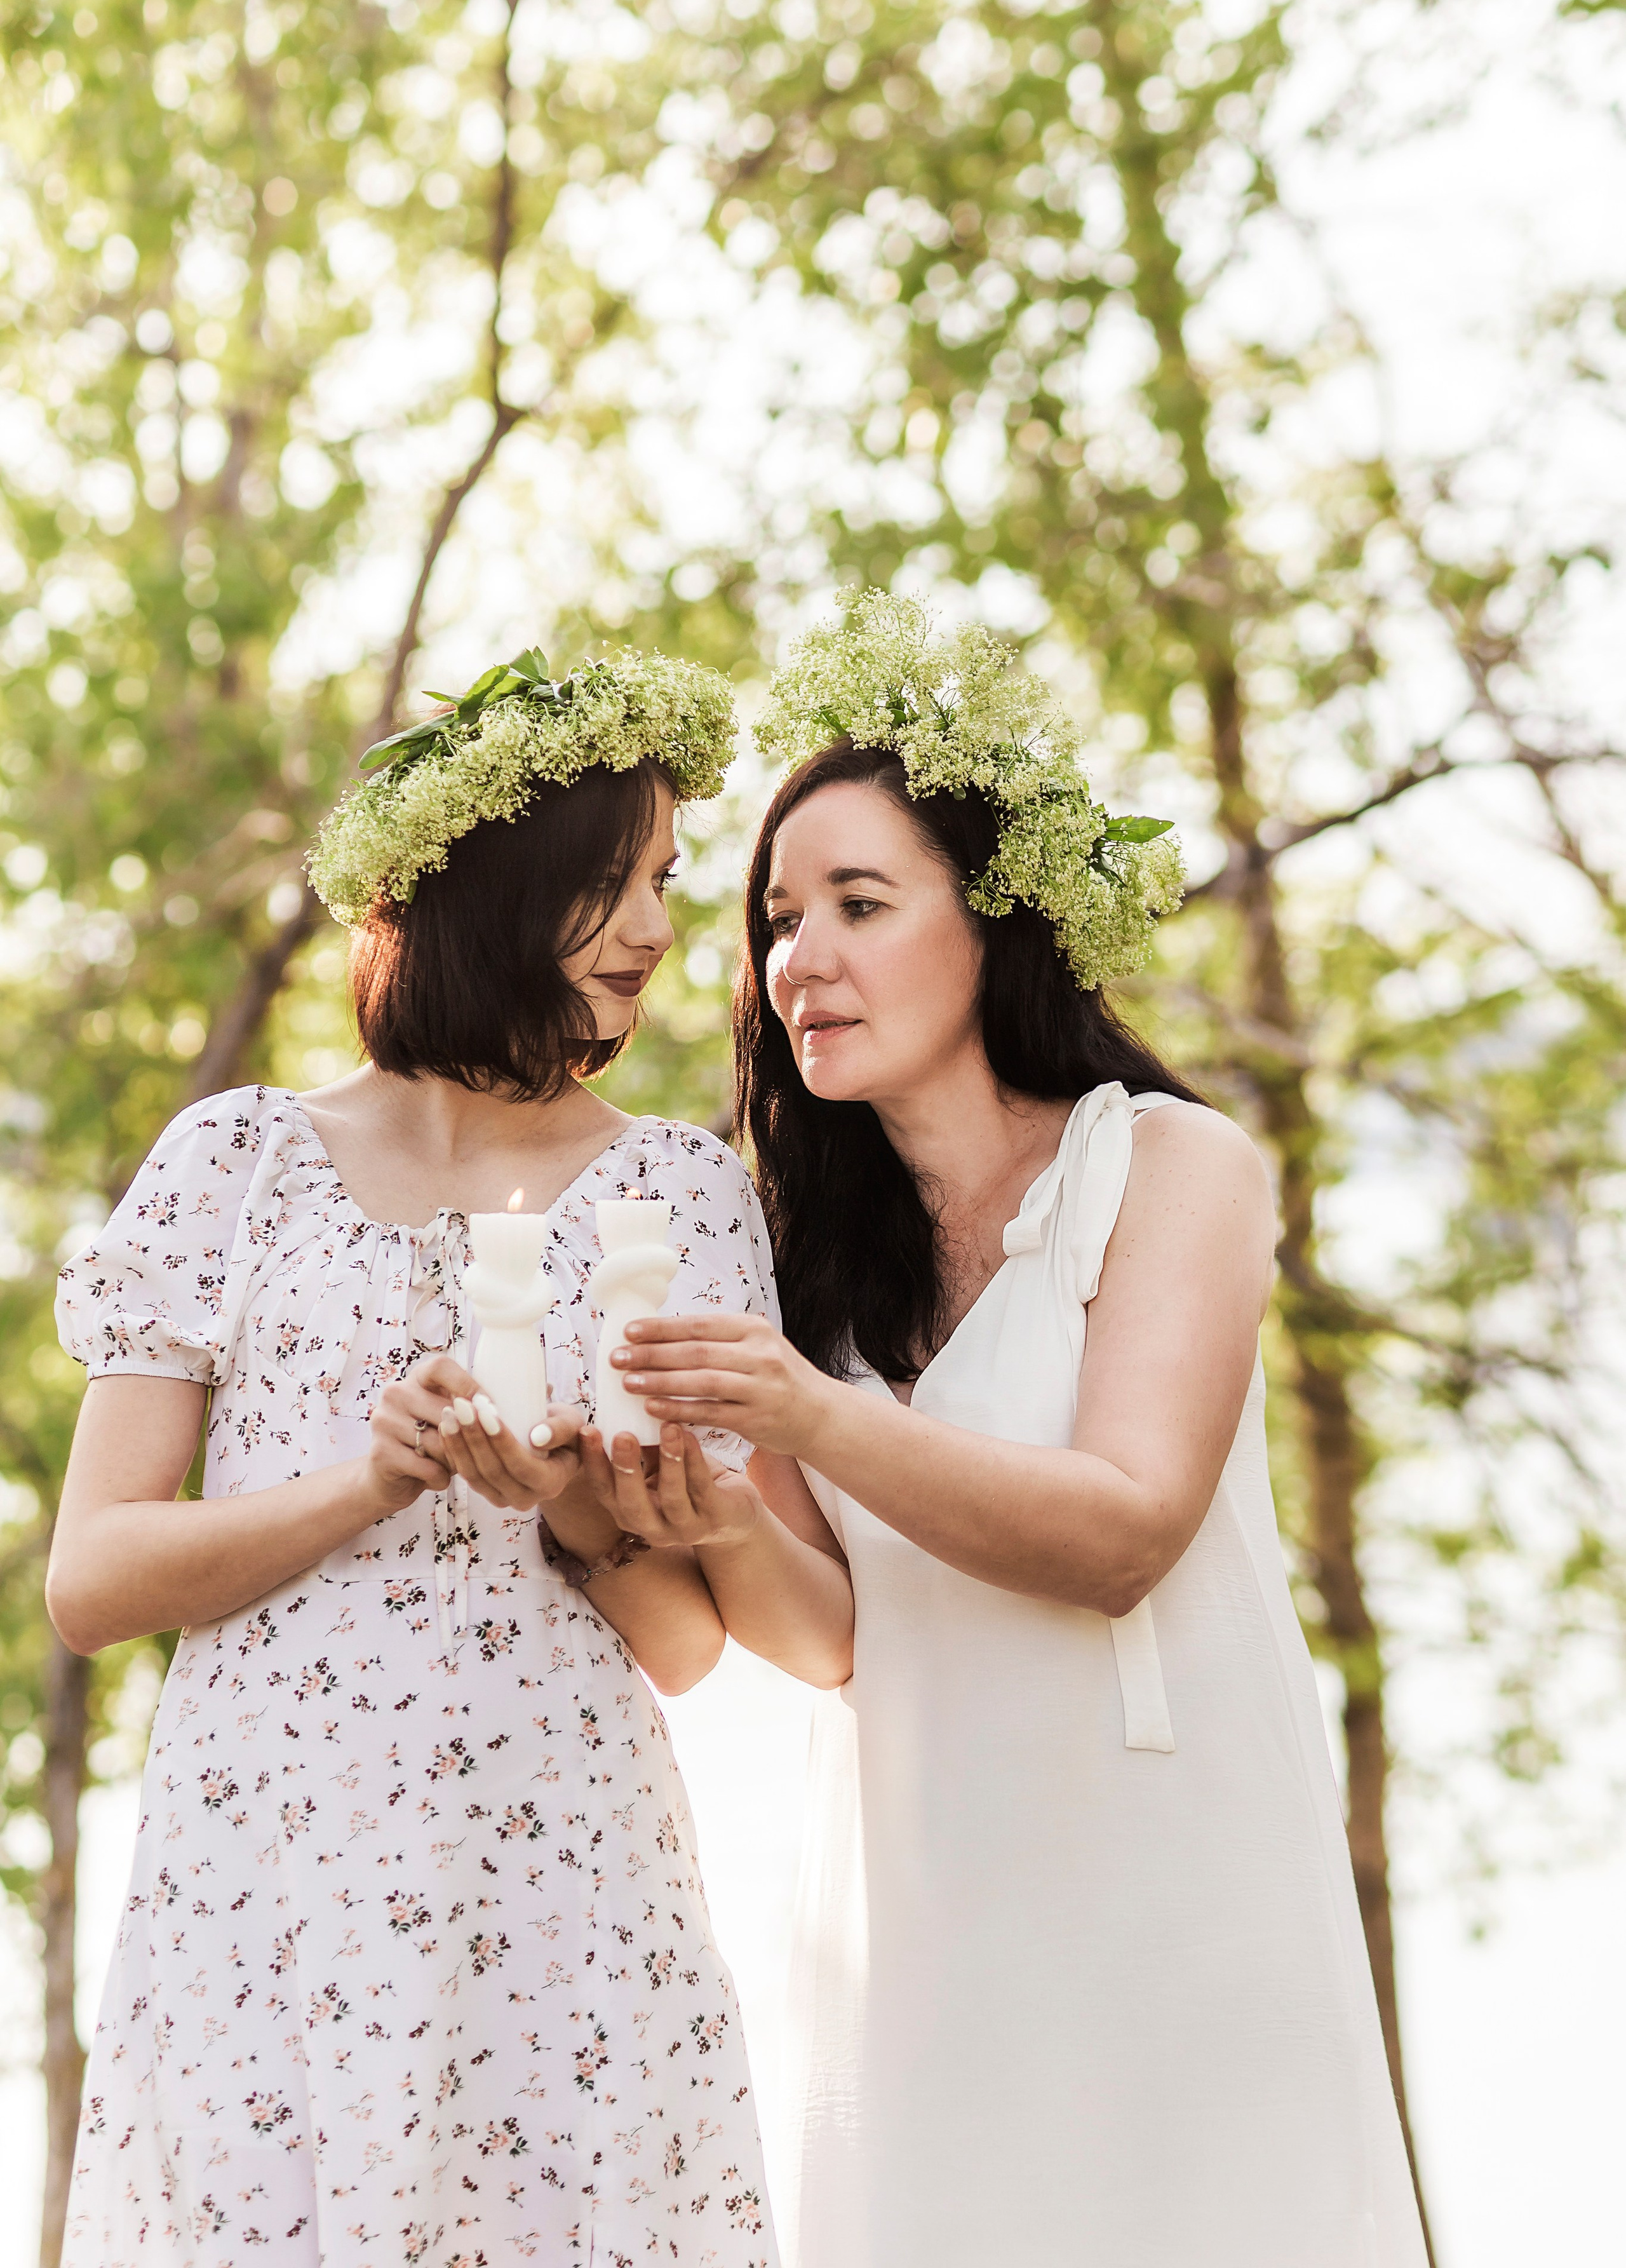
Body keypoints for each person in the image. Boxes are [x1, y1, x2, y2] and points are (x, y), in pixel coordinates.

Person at [607, 598, 1431, 2268]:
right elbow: (830, 1633)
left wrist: (808, 1415)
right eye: (775, 917)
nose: (799, 959)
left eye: (859, 904)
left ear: (994, 927)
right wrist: (677, 1509)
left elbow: (1125, 1523)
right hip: (921, 1933)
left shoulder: (1177, 1171)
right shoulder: (794, 1274)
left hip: (1175, 1914)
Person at [46, 647, 843, 2268]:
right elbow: (91, 1577)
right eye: (615, 886)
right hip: (268, 1909)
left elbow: (697, 1648)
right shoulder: (237, 1165)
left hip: (562, 1912)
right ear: (496, 890)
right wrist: (370, 1478)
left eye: (669, 885)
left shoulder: (681, 1197)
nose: (660, 932)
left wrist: (581, 1510)